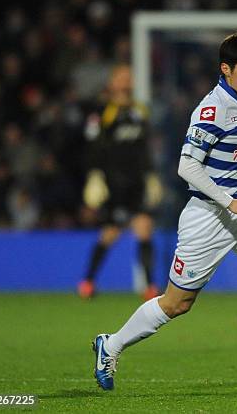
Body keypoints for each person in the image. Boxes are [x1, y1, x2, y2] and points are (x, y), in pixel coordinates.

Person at [92, 30, 237, 390]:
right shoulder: (212, 109)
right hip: (208, 217)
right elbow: (187, 166)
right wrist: (229, 200)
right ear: (226, 69)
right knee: (176, 304)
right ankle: (111, 345)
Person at [77, 64, 162, 301]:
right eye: (121, 78)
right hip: (114, 183)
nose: (126, 82)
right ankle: (87, 282)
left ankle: (149, 287)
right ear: (112, 83)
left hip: (136, 182)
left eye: (129, 78)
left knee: (144, 228)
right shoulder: (102, 111)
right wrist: (94, 175)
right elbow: (93, 146)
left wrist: (151, 176)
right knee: (110, 233)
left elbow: (145, 148)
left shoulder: (140, 110)